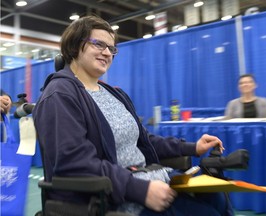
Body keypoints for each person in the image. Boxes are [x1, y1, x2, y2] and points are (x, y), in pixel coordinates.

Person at [32, 15, 233, 216]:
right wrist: (139, 190)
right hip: (112, 196)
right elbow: (74, 162)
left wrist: (192, 147)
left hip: (148, 178)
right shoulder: (60, 95)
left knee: (216, 196)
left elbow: (143, 140)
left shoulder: (113, 93)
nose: (107, 53)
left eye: (111, 48)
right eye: (99, 44)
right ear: (76, 45)